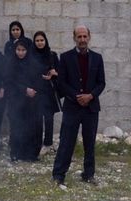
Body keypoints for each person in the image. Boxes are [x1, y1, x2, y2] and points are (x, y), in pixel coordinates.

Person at [52, 25, 106, 187]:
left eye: (85, 36)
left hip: (91, 108)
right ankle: (59, 175)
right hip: (72, 107)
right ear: (74, 38)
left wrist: (90, 96)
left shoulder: (97, 58)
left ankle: (88, 174)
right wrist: (77, 97)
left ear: (89, 37)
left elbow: (101, 83)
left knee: (89, 143)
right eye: (79, 37)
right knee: (67, 142)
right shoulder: (66, 57)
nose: (82, 40)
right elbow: (62, 83)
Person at [4, 38, 41, 162]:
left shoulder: (33, 64)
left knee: (30, 127)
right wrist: (25, 90)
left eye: (23, 50)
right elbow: (9, 82)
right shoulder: (11, 64)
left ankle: (30, 154)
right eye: (18, 50)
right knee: (16, 127)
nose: (20, 53)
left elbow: (38, 81)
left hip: (31, 103)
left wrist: (34, 90)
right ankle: (15, 153)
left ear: (28, 51)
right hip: (15, 101)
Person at [33, 31, 61, 154]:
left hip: (49, 91)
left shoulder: (52, 55)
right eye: (37, 41)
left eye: (42, 40)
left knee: (49, 118)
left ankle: (48, 143)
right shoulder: (31, 55)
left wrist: (54, 73)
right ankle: (37, 144)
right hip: (36, 91)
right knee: (37, 118)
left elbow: (61, 71)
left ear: (46, 41)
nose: (40, 43)